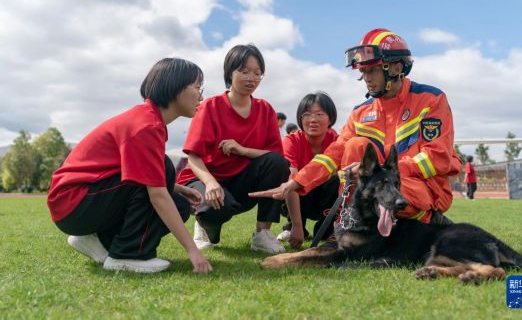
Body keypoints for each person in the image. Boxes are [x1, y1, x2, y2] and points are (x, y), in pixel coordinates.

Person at [251, 28, 461, 227]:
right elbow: (334, 154)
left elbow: (437, 158)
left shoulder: (431, 100)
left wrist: (378, 172)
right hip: (379, 188)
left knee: (383, 188)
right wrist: (296, 182)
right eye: (363, 71)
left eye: (373, 70)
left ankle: (428, 221)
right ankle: (350, 222)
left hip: (424, 187)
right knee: (354, 145)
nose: (367, 78)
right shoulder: (360, 113)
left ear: (396, 68)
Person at [47, 58, 212, 274]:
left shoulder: (149, 120)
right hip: (73, 202)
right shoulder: (146, 126)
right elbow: (155, 193)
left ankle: (97, 241)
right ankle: (126, 254)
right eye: (197, 87)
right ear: (175, 87)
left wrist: (177, 189)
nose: (201, 96)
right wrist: (193, 250)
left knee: (178, 202)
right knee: (160, 177)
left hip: (77, 203)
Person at [176, 44, 289, 253]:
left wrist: (242, 150)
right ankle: (203, 224)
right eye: (244, 71)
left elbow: (275, 155)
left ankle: (262, 234)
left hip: (241, 183)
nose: (251, 78)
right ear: (230, 73)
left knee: (277, 163)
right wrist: (210, 183)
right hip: (205, 179)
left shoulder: (265, 109)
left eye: (257, 73)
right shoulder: (210, 106)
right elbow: (193, 156)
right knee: (215, 209)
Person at [277, 92, 339, 249]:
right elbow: (291, 181)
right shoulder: (291, 141)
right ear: (300, 119)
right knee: (290, 178)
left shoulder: (336, 140)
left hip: (325, 199)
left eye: (319, 114)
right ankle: (295, 225)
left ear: (330, 118)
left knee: (339, 178)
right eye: (307, 115)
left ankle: (326, 228)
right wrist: (297, 226)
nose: (313, 120)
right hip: (299, 198)